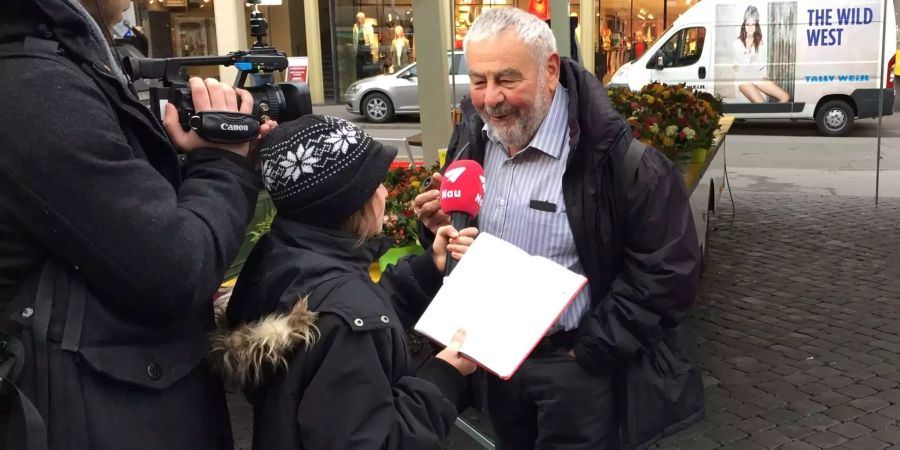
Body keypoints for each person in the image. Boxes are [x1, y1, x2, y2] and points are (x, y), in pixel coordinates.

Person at [414, 8, 703, 449]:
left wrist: (587, 352)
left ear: (550, 71)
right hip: (495, 362)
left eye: (507, 79)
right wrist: (437, 231)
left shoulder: (618, 161)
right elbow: (456, 244)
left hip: (576, 368)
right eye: (478, 81)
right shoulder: (472, 139)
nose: (491, 99)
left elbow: (668, 272)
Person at [0, 0, 276, 448]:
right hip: (95, 415)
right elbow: (176, 264)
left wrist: (192, 161)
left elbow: (114, 223)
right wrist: (222, 164)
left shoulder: (54, 62)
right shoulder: (34, 87)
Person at [217, 115, 480, 449]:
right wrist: (443, 376)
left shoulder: (277, 257)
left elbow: (340, 315)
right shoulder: (350, 317)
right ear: (350, 199)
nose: (385, 190)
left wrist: (428, 269)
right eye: (376, 182)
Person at [733, 5, 790, 103]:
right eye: (748, 24)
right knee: (762, 105)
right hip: (743, 79)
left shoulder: (760, 42)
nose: (750, 27)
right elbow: (743, 68)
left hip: (756, 77)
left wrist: (765, 81)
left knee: (785, 97)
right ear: (744, 25)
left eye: (753, 24)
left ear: (756, 26)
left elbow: (761, 65)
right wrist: (747, 49)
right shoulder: (737, 43)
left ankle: (774, 117)